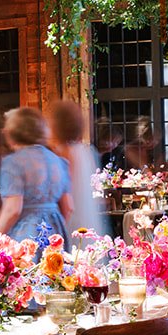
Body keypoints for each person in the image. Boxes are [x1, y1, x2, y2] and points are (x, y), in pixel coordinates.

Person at [0, 106, 72, 244]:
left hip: (26, 233)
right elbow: (68, 207)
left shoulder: (13, 162)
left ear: (12, 132)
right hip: (55, 230)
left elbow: (12, 210)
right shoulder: (59, 161)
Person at [48, 98, 103, 236]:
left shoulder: (62, 153)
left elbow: (61, 188)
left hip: (70, 213)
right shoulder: (86, 151)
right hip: (86, 212)